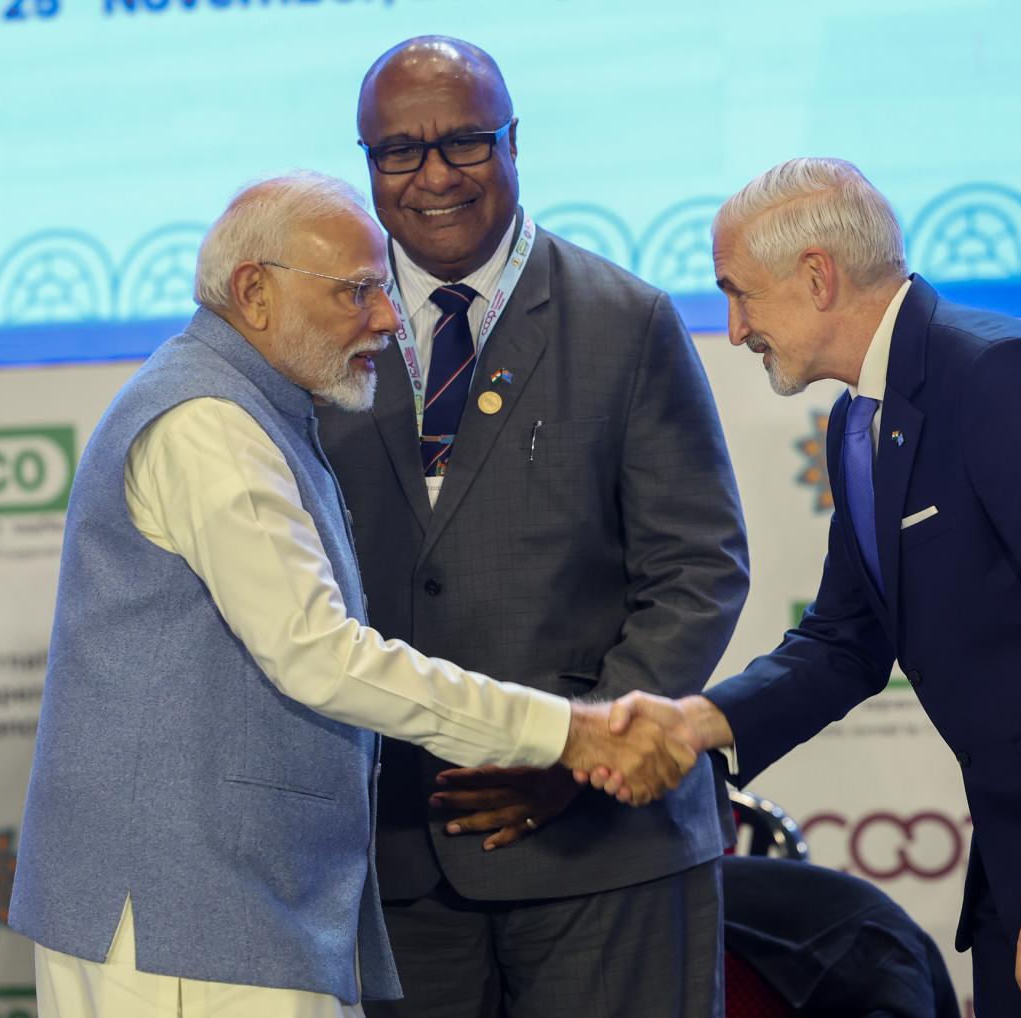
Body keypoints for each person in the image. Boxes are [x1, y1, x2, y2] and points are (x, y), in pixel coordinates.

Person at [8, 172, 694, 1018]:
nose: (387, 315)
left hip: (222, 909)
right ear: (254, 293)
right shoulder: (208, 426)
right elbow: (319, 656)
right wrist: (566, 729)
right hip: (183, 921)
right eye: (358, 291)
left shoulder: (255, 408)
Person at [596, 157, 1021, 1016]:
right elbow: (844, 639)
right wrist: (700, 724)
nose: (733, 329)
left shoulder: (1003, 378)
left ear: (817, 276)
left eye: (740, 294)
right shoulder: (857, 419)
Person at [317, 36, 749, 1018]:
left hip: (604, 852)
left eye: (463, 143)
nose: (432, 176)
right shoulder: (315, 329)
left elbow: (698, 570)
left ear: (514, 143)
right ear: (366, 161)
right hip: (387, 863)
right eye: (398, 152)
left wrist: (579, 752)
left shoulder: (624, 319)